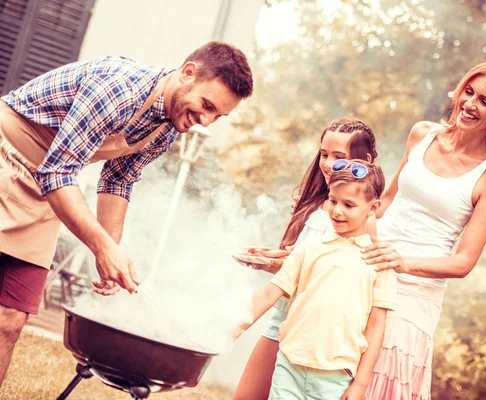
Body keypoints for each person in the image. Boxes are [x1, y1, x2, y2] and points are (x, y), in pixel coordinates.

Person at [0, 41, 253, 385]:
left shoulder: (166, 126)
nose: (205, 121)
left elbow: (117, 180)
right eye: (206, 105)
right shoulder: (116, 89)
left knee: (10, 320)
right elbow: (58, 172)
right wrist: (103, 248)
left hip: (44, 190)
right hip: (7, 156)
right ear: (188, 73)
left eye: (217, 116)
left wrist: (112, 251)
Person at [360, 61, 486, 399]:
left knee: (376, 385)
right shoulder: (422, 134)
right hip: (367, 267)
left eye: (485, 101)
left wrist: (402, 262)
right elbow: (385, 201)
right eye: (469, 92)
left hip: (413, 294)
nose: (470, 104)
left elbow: (463, 262)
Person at [233, 119, 378, 399]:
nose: (327, 163)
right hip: (283, 319)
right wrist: (270, 256)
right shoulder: (315, 204)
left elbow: (344, 274)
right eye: (324, 154)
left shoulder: (359, 220)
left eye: (339, 157)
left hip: (317, 335)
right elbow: (304, 255)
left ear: (365, 160)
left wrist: (276, 264)